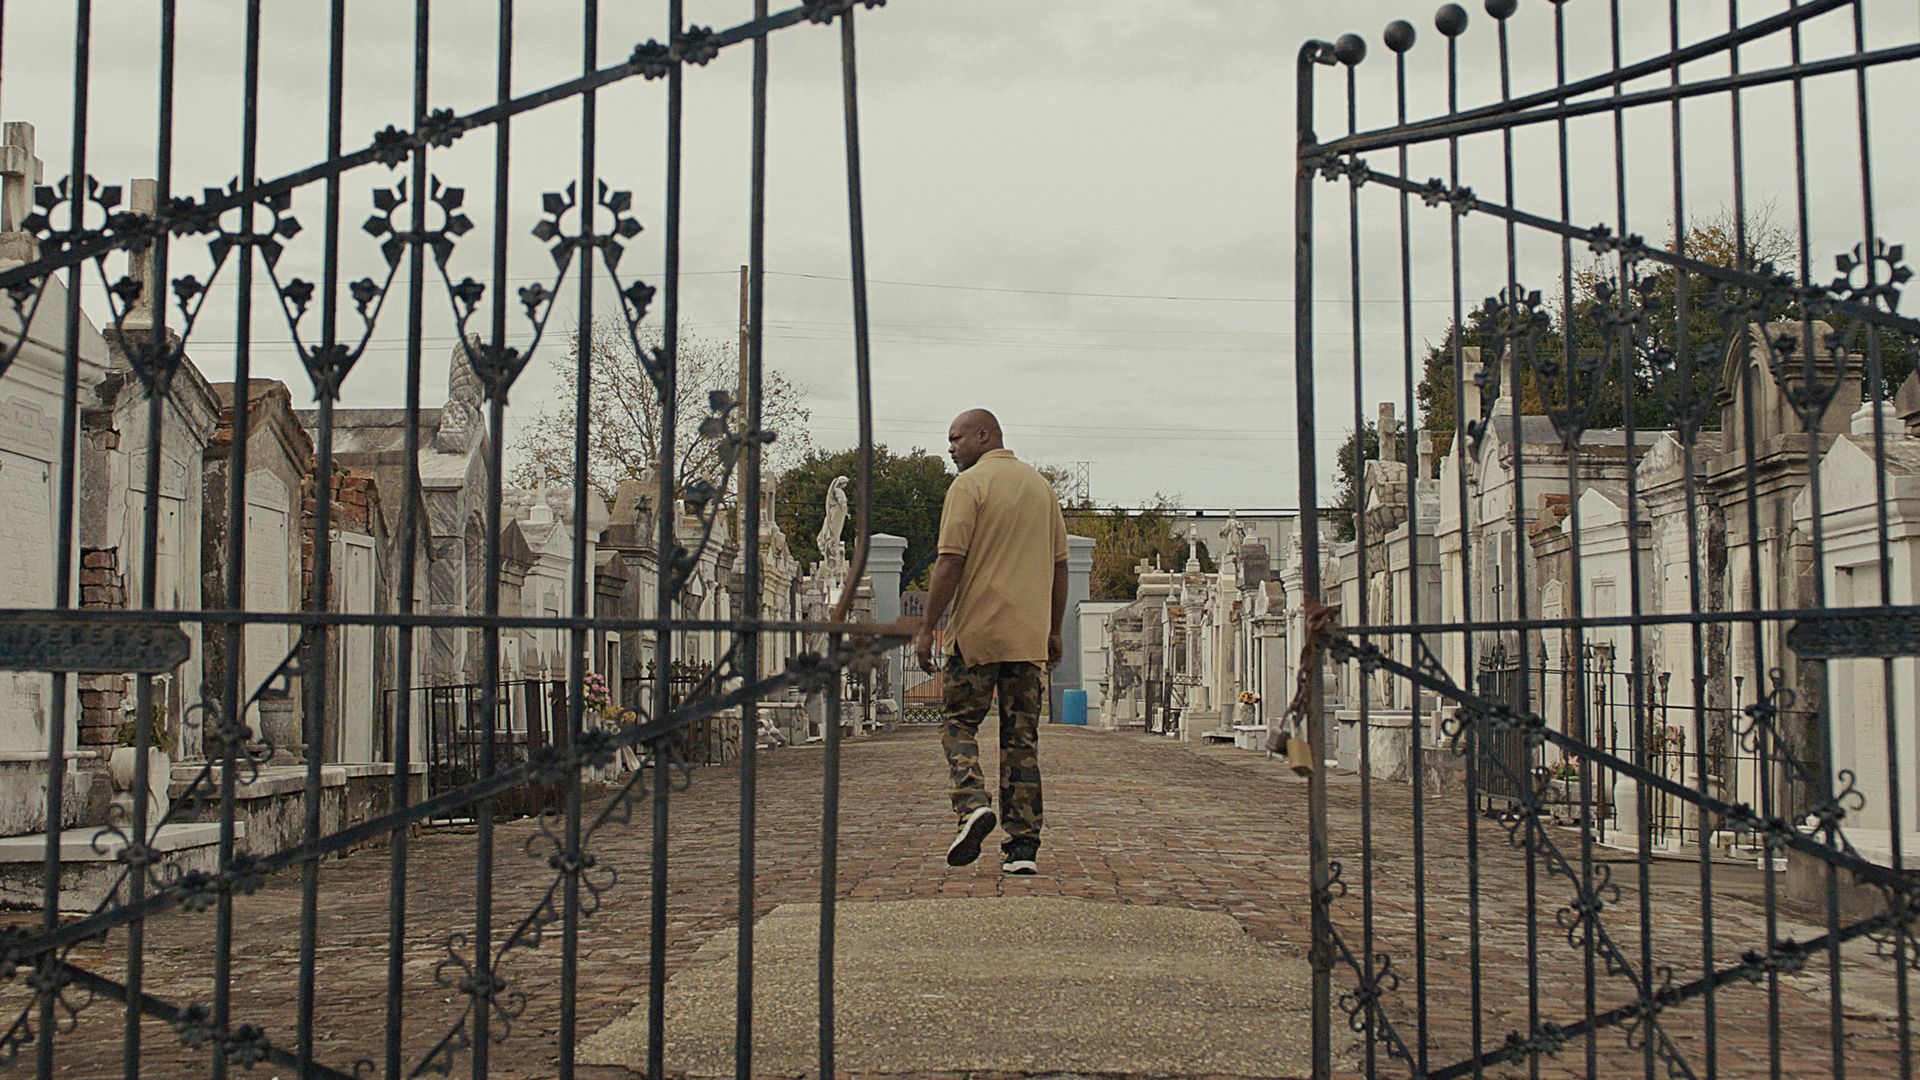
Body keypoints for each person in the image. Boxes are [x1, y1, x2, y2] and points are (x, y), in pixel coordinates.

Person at [914, 409, 1069, 875]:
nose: (951, 448)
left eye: (956, 438)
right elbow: (1061, 566)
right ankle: (1023, 847)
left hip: (977, 637)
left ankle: (972, 803)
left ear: (985, 435)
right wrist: (1054, 628)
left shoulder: (969, 486)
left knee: (958, 724)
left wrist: (928, 627)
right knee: (1021, 740)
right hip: (1027, 639)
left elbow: (950, 560)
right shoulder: (1041, 488)